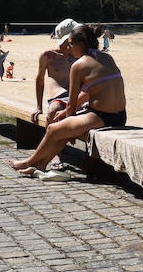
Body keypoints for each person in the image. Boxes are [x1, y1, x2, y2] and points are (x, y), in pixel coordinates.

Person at [12, 24, 126, 175]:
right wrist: (67, 115)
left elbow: (72, 103)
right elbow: (92, 91)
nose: (69, 48)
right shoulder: (107, 57)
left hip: (102, 117)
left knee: (54, 128)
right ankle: (41, 165)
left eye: (71, 44)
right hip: (120, 116)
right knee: (63, 126)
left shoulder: (79, 65)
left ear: (81, 44)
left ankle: (29, 161)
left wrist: (68, 122)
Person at [35, 19, 80, 125]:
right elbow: (40, 80)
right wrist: (39, 107)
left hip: (79, 96)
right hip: (59, 97)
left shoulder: (80, 54)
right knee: (54, 111)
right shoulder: (49, 56)